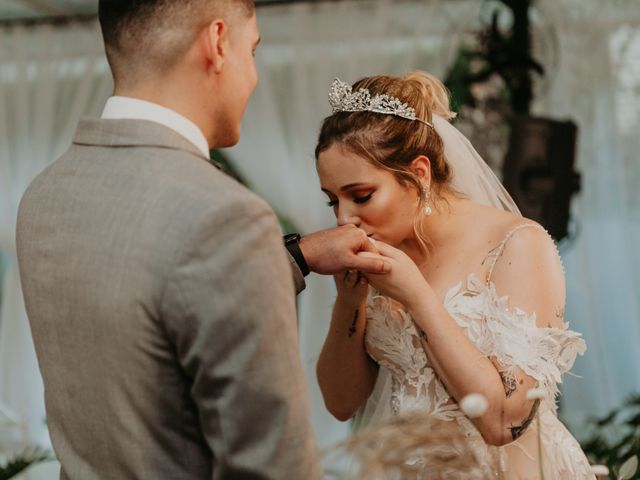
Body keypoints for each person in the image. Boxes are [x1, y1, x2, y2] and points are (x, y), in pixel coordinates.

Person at [15, 1, 386, 479]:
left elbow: (145, 291)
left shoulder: (45, 193)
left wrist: (297, 255)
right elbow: (271, 466)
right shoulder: (226, 215)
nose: (253, 77)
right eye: (251, 51)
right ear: (216, 44)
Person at [314, 72, 595, 478]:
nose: (345, 220)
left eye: (360, 197)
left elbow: (505, 422)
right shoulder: (377, 253)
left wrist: (416, 295)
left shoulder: (517, 244)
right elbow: (340, 403)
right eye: (332, 202)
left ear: (420, 174)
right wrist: (349, 300)